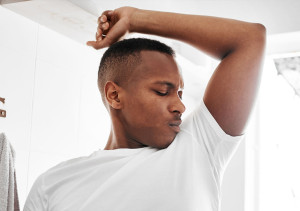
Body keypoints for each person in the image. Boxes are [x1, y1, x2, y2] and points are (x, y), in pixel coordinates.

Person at [24, 6, 266, 211]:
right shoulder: (51, 184)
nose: (180, 106)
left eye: (180, 93)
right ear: (114, 95)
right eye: (163, 91)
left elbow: (250, 39)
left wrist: (134, 19)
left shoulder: (197, 146)